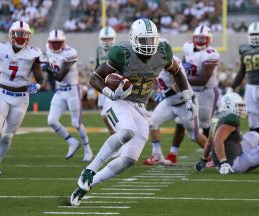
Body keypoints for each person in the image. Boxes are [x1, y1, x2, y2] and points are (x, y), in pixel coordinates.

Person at [70, 18, 197, 206]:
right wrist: (110, 93)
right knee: (127, 131)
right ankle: (89, 170)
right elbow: (95, 77)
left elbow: (177, 73)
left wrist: (187, 97)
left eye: (151, 40)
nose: (148, 45)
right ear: (133, 39)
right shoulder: (122, 53)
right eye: (144, 40)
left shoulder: (163, 52)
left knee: (128, 160)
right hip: (120, 100)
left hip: (140, 106)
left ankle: (85, 186)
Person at [0, 21, 44, 175]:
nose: (22, 37)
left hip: (21, 99)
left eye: (24, 34)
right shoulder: (1, 49)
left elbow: (40, 78)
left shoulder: (32, 53)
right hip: (3, 95)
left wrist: (38, 85)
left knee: (7, 137)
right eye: (18, 34)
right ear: (11, 35)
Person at [227, 22, 259, 166]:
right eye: (252, 35)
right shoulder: (244, 49)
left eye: (257, 35)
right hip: (251, 89)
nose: (255, 38)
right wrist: (233, 86)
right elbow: (242, 71)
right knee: (254, 127)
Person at [143, 56, 206, 166]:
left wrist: (162, 95)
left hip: (185, 104)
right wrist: (147, 96)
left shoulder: (172, 63)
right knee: (152, 122)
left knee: (194, 136)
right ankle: (157, 155)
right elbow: (155, 83)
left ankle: (212, 155)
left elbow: (178, 85)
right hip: (169, 103)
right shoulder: (153, 64)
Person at [194, 92, 259, 174]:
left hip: (224, 159)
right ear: (228, 106)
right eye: (238, 105)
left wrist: (203, 160)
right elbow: (217, 141)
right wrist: (224, 163)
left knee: (254, 135)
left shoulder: (218, 116)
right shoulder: (231, 118)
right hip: (233, 164)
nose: (241, 108)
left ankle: (258, 155)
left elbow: (209, 141)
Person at [43, 29, 93, 161]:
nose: (55, 45)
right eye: (53, 43)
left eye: (58, 43)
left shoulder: (70, 53)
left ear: (63, 42)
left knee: (76, 123)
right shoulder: (48, 49)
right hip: (60, 91)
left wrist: (46, 67)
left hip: (72, 90)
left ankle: (88, 150)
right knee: (51, 120)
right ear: (49, 43)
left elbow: (59, 76)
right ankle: (72, 142)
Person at [182, 25, 220, 139]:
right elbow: (183, 62)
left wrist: (181, 80)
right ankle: (173, 152)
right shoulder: (187, 46)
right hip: (192, 90)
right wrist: (183, 68)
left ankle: (213, 150)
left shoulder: (211, 54)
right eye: (198, 38)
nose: (200, 41)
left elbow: (202, 80)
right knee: (181, 121)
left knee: (205, 124)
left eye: (203, 38)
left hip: (207, 92)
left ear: (209, 39)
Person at [96, 26, 116, 134]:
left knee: (105, 114)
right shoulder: (99, 50)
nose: (107, 41)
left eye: (109, 39)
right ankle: (114, 134)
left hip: (112, 85)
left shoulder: (117, 50)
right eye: (104, 39)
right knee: (105, 115)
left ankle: (115, 135)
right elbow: (96, 66)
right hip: (102, 84)